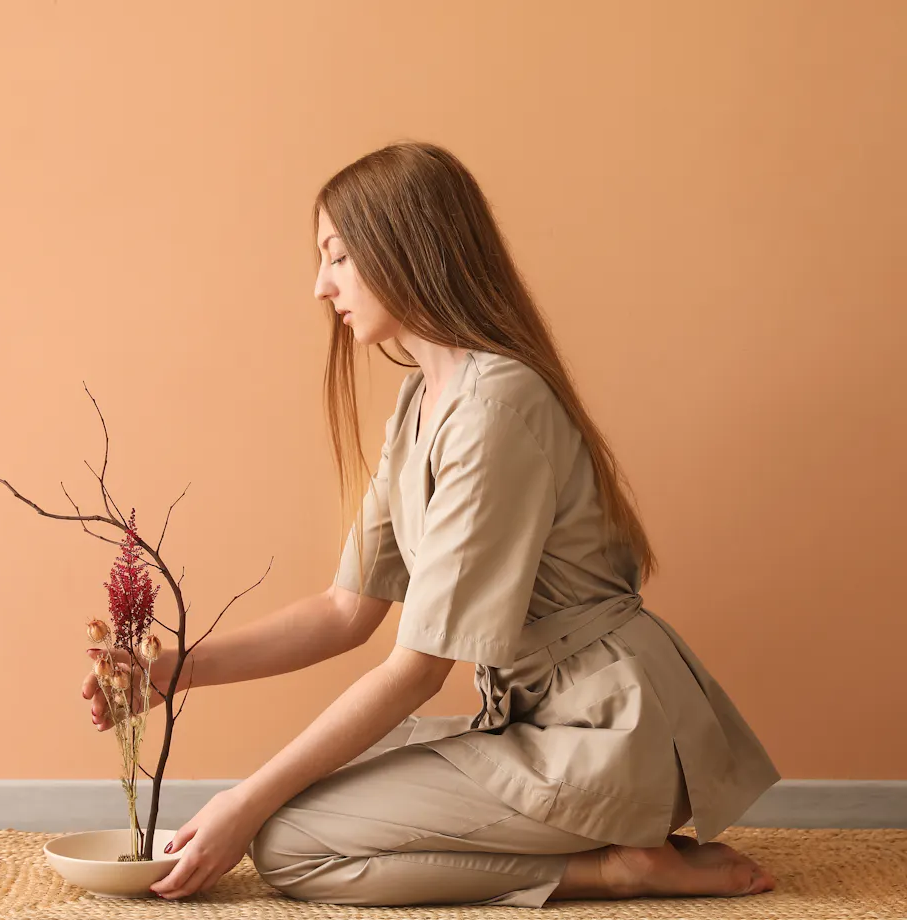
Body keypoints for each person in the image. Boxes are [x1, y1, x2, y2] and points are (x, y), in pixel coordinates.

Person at [82, 140, 781, 906]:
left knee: (286, 843)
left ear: (405, 250)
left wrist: (242, 806)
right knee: (295, 809)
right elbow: (345, 611)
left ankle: (614, 867)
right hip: (532, 720)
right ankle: (613, 855)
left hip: (603, 734)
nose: (321, 285)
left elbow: (417, 669)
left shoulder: (495, 411)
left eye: (339, 256)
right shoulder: (422, 403)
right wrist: (170, 672)